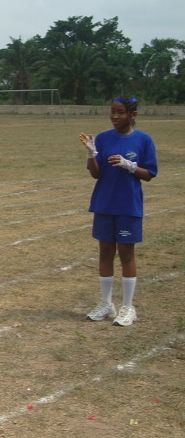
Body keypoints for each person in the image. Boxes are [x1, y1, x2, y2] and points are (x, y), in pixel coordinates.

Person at [79, 96, 158, 326]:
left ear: (132, 115)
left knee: (126, 254)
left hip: (128, 206)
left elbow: (149, 173)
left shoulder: (143, 140)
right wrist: (91, 154)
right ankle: (106, 304)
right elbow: (96, 174)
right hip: (104, 204)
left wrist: (130, 165)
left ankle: (128, 307)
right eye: (112, 111)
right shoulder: (103, 138)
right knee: (105, 253)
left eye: (121, 112)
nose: (115, 116)